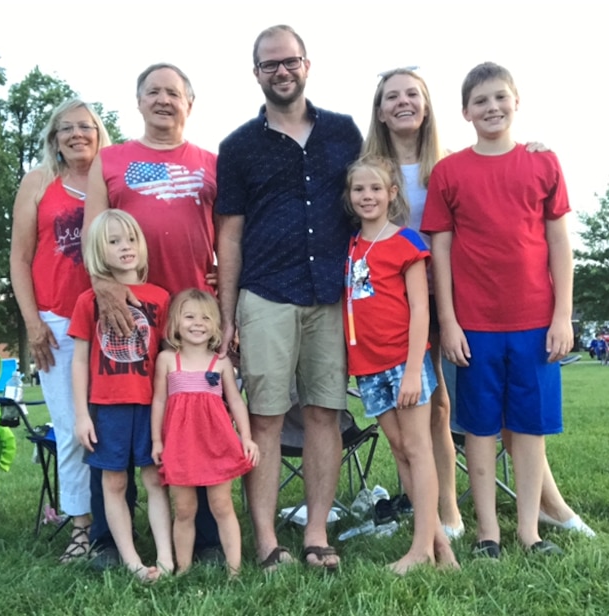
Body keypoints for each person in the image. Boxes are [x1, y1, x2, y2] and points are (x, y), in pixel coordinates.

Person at [364, 67, 594, 542]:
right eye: (392, 96)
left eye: (413, 94)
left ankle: (542, 509)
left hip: (474, 301)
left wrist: (562, 313)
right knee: (433, 408)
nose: (403, 102)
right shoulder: (369, 169)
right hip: (410, 304)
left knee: (479, 411)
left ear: (430, 106)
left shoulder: (449, 162)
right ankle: (447, 513)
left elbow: (534, 216)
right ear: (380, 110)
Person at [216, 24, 362, 572]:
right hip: (266, 296)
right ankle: (265, 540)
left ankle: (316, 533)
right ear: (256, 73)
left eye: (289, 61)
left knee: (326, 414)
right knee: (266, 420)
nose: (281, 71)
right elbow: (228, 234)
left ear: (307, 64)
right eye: (269, 64)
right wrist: (228, 316)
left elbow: (383, 181)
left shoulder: (345, 133)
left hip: (330, 295)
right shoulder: (237, 147)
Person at [422, 62, 573, 558]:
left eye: (500, 98)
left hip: (535, 323)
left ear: (516, 101)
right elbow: (439, 250)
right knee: (480, 429)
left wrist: (562, 315)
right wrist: (448, 321)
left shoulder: (543, 163)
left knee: (529, 431)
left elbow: (558, 242)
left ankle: (529, 531)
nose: (492, 108)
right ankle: (489, 532)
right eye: (481, 101)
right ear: (465, 112)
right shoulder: (450, 171)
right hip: (474, 325)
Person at [83, 62, 221, 567]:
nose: (164, 100)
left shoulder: (211, 161)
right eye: (153, 92)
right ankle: (107, 539)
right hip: (125, 315)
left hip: (189, 318)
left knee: (193, 419)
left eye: (174, 92)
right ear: (138, 101)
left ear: (190, 102)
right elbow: (93, 228)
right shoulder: (111, 159)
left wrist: (220, 291)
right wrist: (101, 287)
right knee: (120, 421)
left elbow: (226, 234)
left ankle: (203, 535)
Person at [342, 156, 457, 573]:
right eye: (359, 189)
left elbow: (420, 312)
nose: (367, 196)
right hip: (368, 367)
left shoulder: (407, 243)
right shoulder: (352, 246)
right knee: (399, 449)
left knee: (417, 448)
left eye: (376, 188)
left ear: (392, 193)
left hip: (402, 363)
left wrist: (413, 369)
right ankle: (440, 546)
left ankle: (421, 548)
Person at [9, 98, 112, 563]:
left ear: (98, 132)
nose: (76, 135)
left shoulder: (110, 178)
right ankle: (80, 527)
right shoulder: (38, 183)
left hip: (110, 319)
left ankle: (120, 524)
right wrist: (32, 323)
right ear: (54, 137)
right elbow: (20, 259)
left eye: (85, 127)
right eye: (66, 128)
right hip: (56, 323)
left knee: (113, 426)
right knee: (72, 428)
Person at [70, 210, 172, 582]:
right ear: (100, 251)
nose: (124, 247)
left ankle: (165, 557)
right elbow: (79, 361)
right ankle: (130, 559)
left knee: (155, 479)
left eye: (130, 239)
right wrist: (82, 414)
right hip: (107, 408)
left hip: (151, 407)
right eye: (113, 242)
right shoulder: (87, 301)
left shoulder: (161, 298)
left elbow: (169, 354)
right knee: (113, 483)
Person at [152, 289, 259, 577]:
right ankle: (182, 568)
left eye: (205, 318)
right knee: (184, 509)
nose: (197, 323)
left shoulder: (220, 362)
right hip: (179, 446)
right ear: (176, 322)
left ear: (216, 326)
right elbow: (159, 401)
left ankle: (234, 570)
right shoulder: (166, 360)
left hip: (216, 444)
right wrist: (157, 441)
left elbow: (235, 401)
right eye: (189, 317)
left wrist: (246, 437)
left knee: (222, 505)